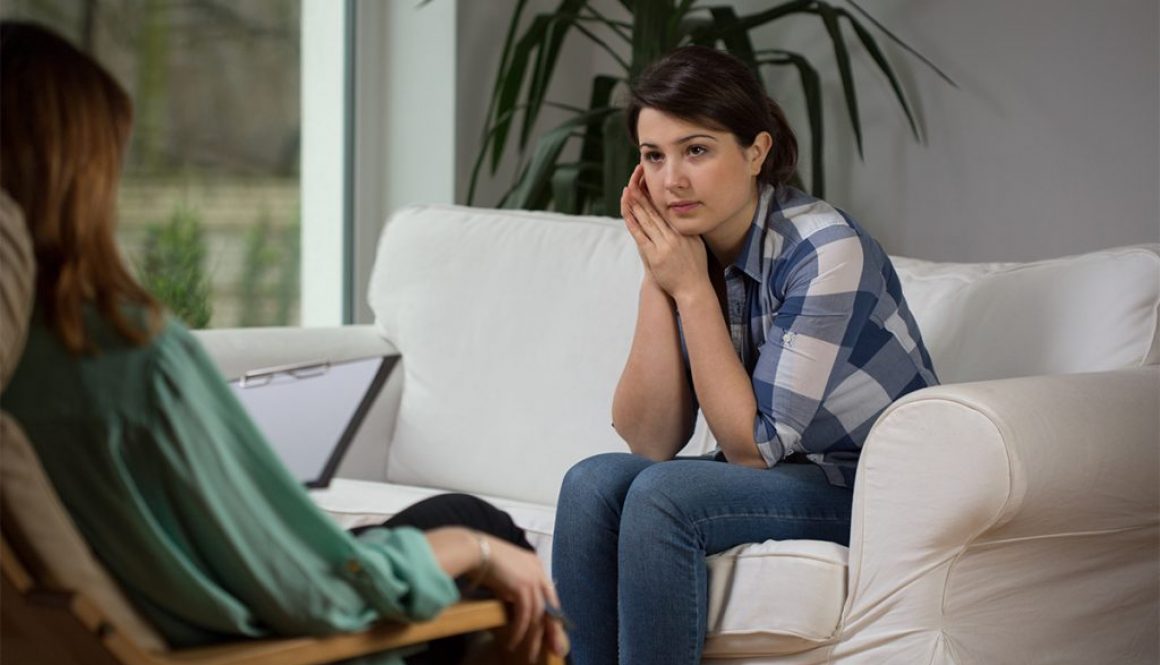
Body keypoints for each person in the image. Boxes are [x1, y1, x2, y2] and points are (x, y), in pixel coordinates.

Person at [0, 21, 566, 665]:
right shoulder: (128, 362)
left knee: (452, 518)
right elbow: (319, 594)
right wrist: (477, 551)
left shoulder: (21, 365)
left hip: (150, 621)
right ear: (80, 175)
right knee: (484, 533)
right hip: (282, 647)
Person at [551, 45, 939, 664]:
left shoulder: (825, 250)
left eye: (696, 150)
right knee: (592, 483)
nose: (671, 179)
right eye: (654, 156)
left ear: (755, 152)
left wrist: (689, 290)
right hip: (787, 475)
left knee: (664, 497)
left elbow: (751, 451)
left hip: (868, 489)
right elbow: (649, 441)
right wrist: (660, 276)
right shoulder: (692, 245)